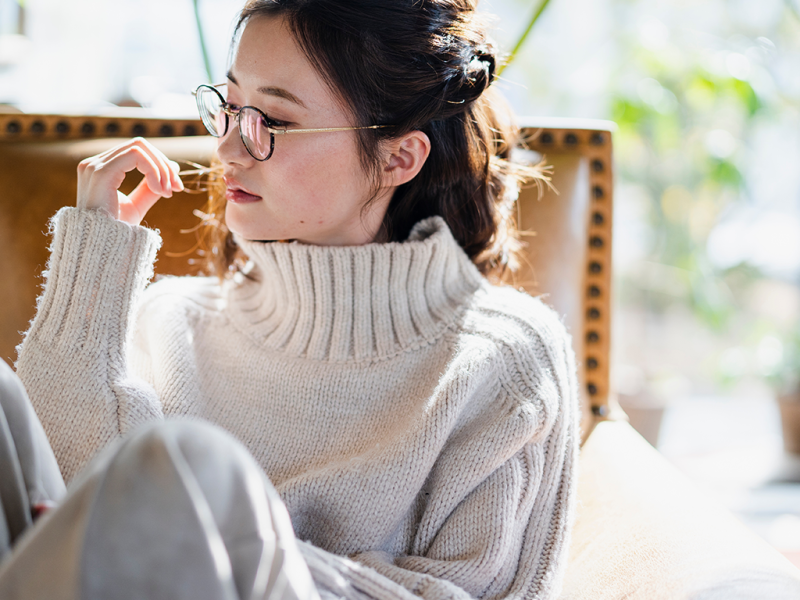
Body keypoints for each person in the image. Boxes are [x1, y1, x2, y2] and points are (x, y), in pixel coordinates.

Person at [1, 1, 580, 599]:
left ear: (397, 158)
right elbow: (57, 523)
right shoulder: (169, 320)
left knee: (195, 463)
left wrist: (226, 532)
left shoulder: (503, 365)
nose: (227, 151)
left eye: (272, 121)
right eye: (230, 109)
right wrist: (91, 272)